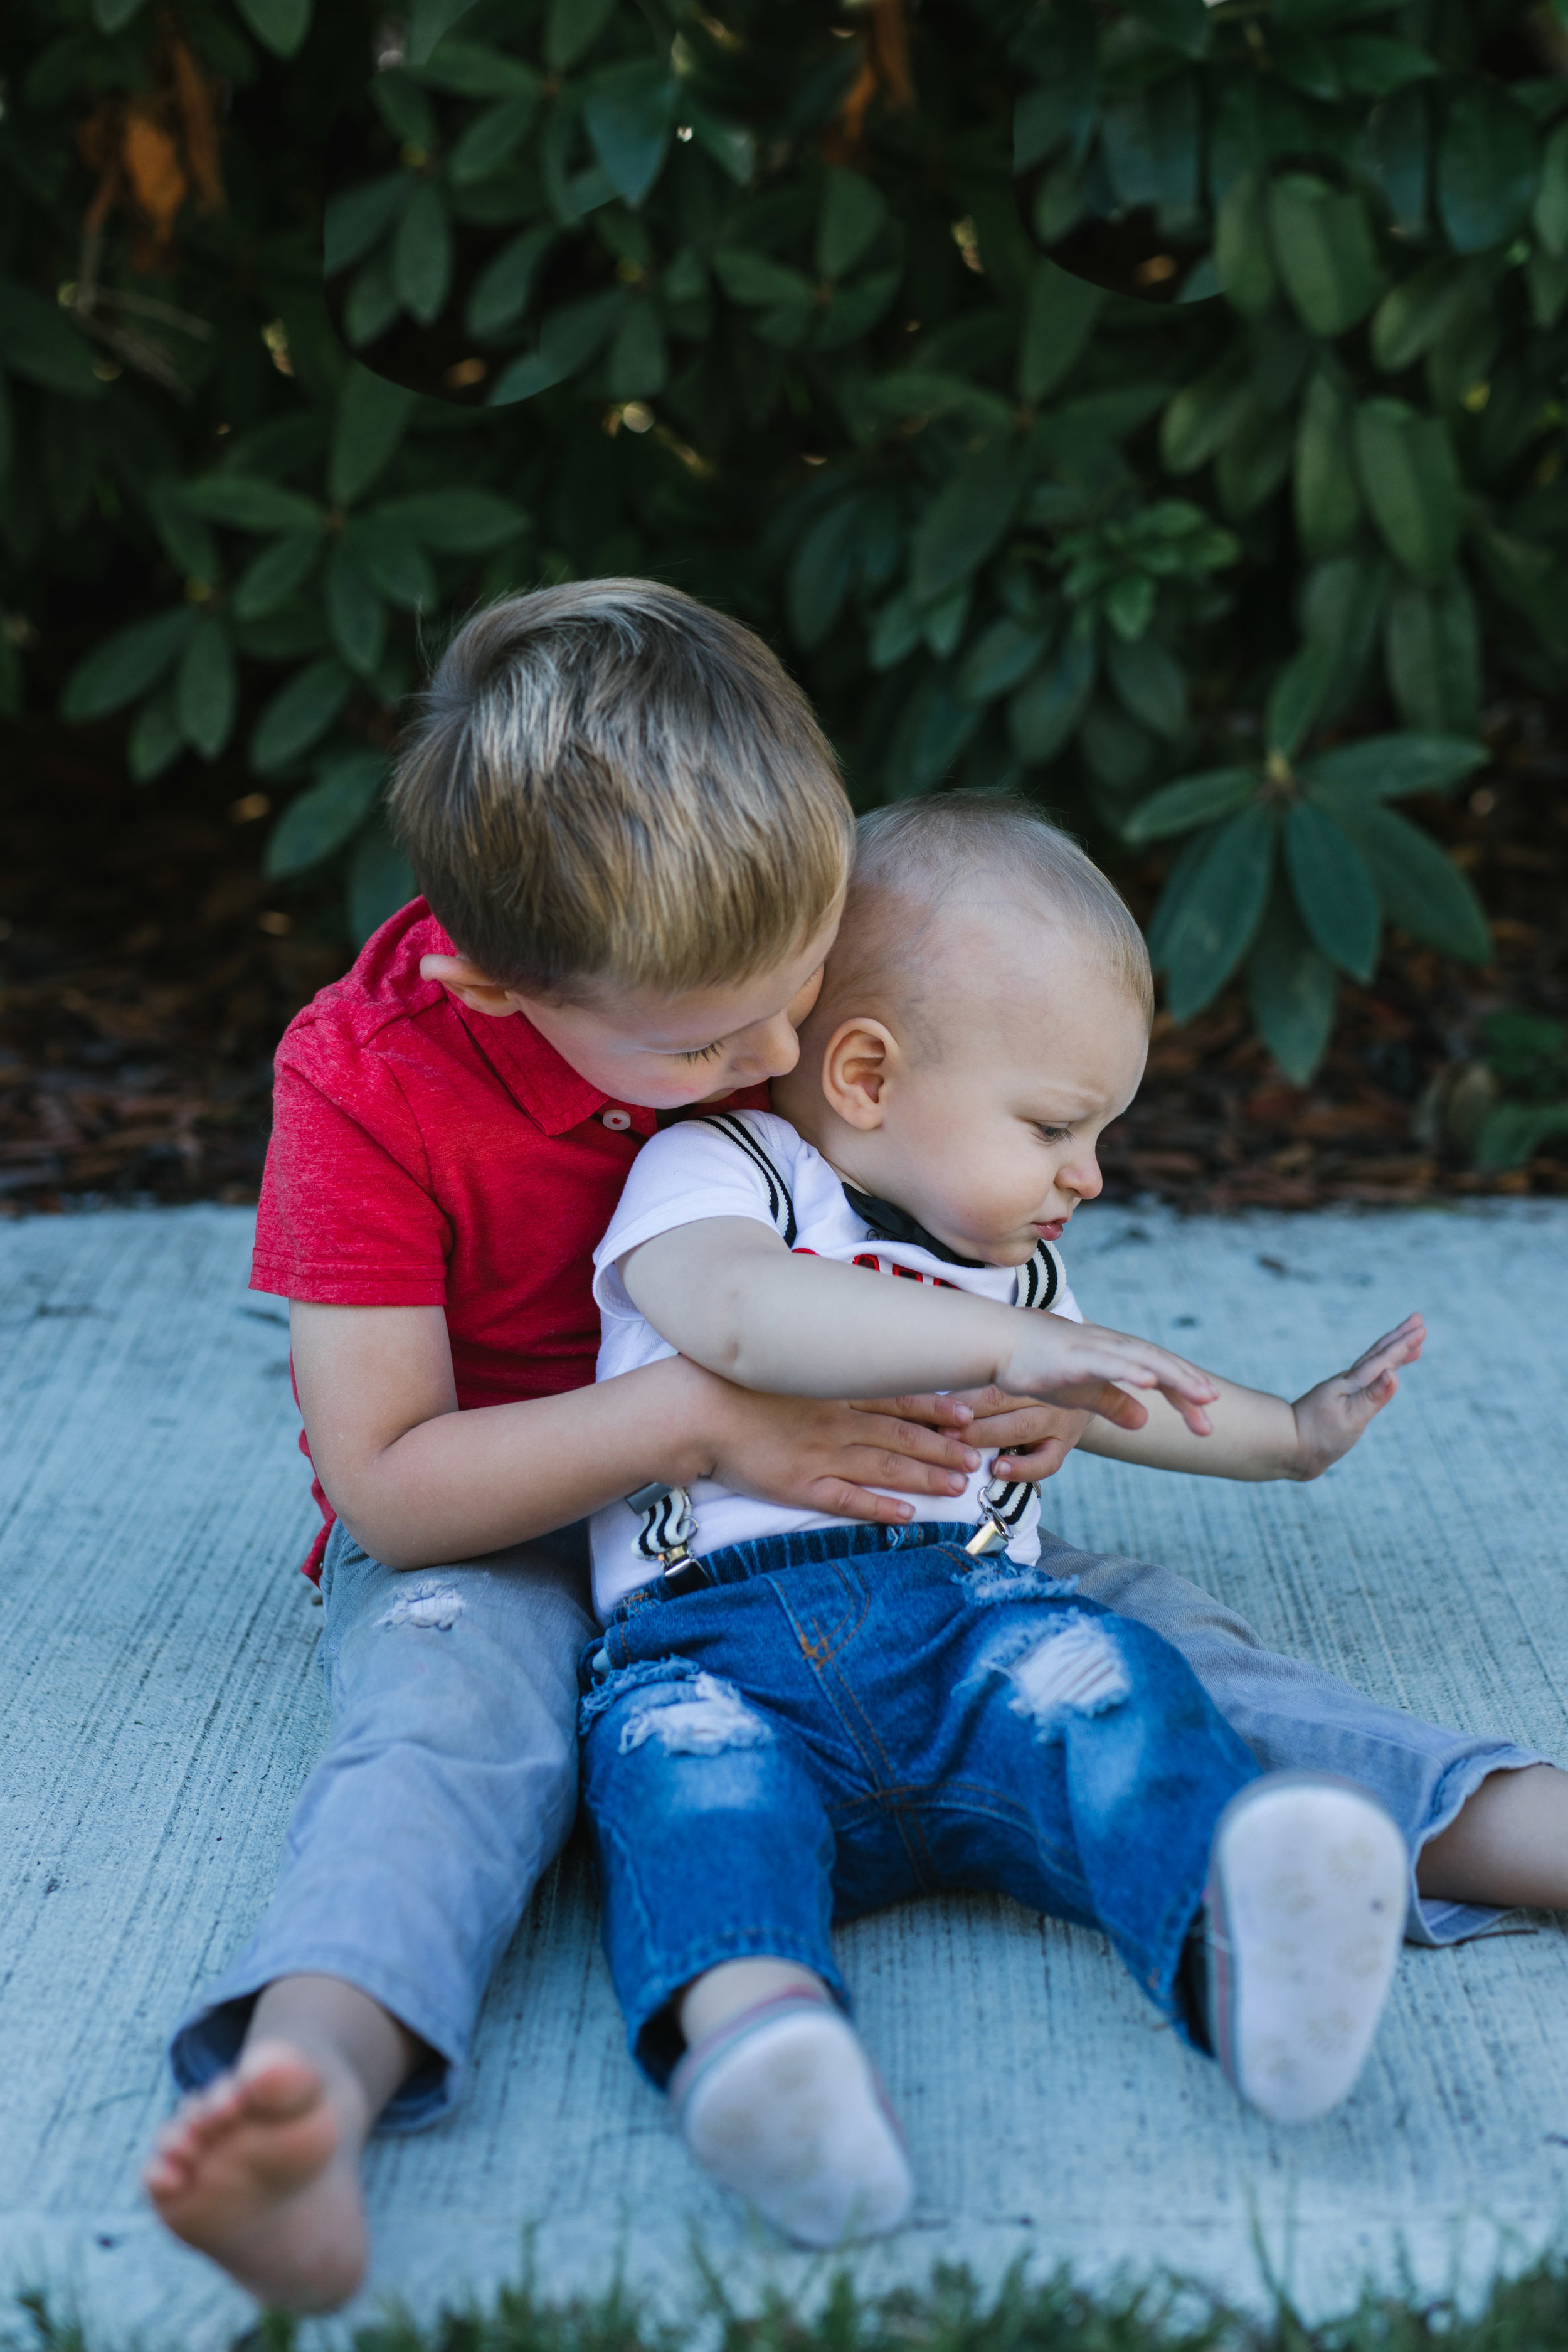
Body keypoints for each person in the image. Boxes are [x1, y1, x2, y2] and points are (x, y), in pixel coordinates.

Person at [140, 587, 1214, 2311]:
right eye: (711, 1046)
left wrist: (1008, 1395)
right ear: (492, 979)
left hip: (801, 1507)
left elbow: (920, 1220)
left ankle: (1469, 1822)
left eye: (796, 1001)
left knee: (1146, 1634)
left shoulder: (737, 966)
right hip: (503, 1509)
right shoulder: (362, 1084)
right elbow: (392, 1489)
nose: (775, 1065)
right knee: (448, 1730)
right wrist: (700, 1415)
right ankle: (311, 2097)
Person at [578, 792, 1565, 2245]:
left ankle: (1236, 1962)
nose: (1086, 1175)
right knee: (693, 1799)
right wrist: (997, 1352)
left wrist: (1287, 1435)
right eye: (1052, 1126)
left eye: (1099, 1131)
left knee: (1117, 1699)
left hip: (979, 1635)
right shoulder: (728, 1176)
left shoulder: (1020, 1285)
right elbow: (737, 1316)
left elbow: (1138, 1394)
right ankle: (770, 2057)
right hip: (712, 1654)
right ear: (862, 1073)